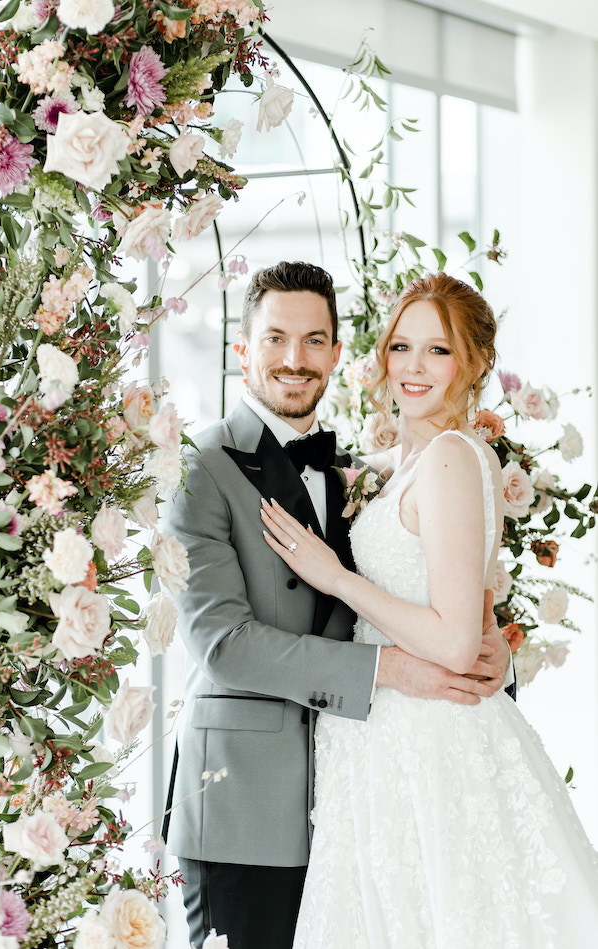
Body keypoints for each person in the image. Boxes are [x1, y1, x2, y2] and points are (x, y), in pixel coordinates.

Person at [163, 262, 512, 949]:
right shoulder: (199, 466)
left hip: (353, 791)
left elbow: (427, 575)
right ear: (242, 349)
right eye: (276, 339)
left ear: (339, 353)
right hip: (245, 797)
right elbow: (224, 644)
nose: (296, 359)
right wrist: (386, 669)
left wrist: (491, 638)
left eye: (315, 340)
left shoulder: (356, 469)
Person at [261, 271, 598, 948]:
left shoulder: (448, 458)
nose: (413, 367)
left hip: (429, 740)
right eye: (402, 346)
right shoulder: (399, 463)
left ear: (472, 363)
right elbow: (470, 604)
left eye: (437, 350)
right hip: (384, 738)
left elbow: (450, 644)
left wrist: (338, 579)